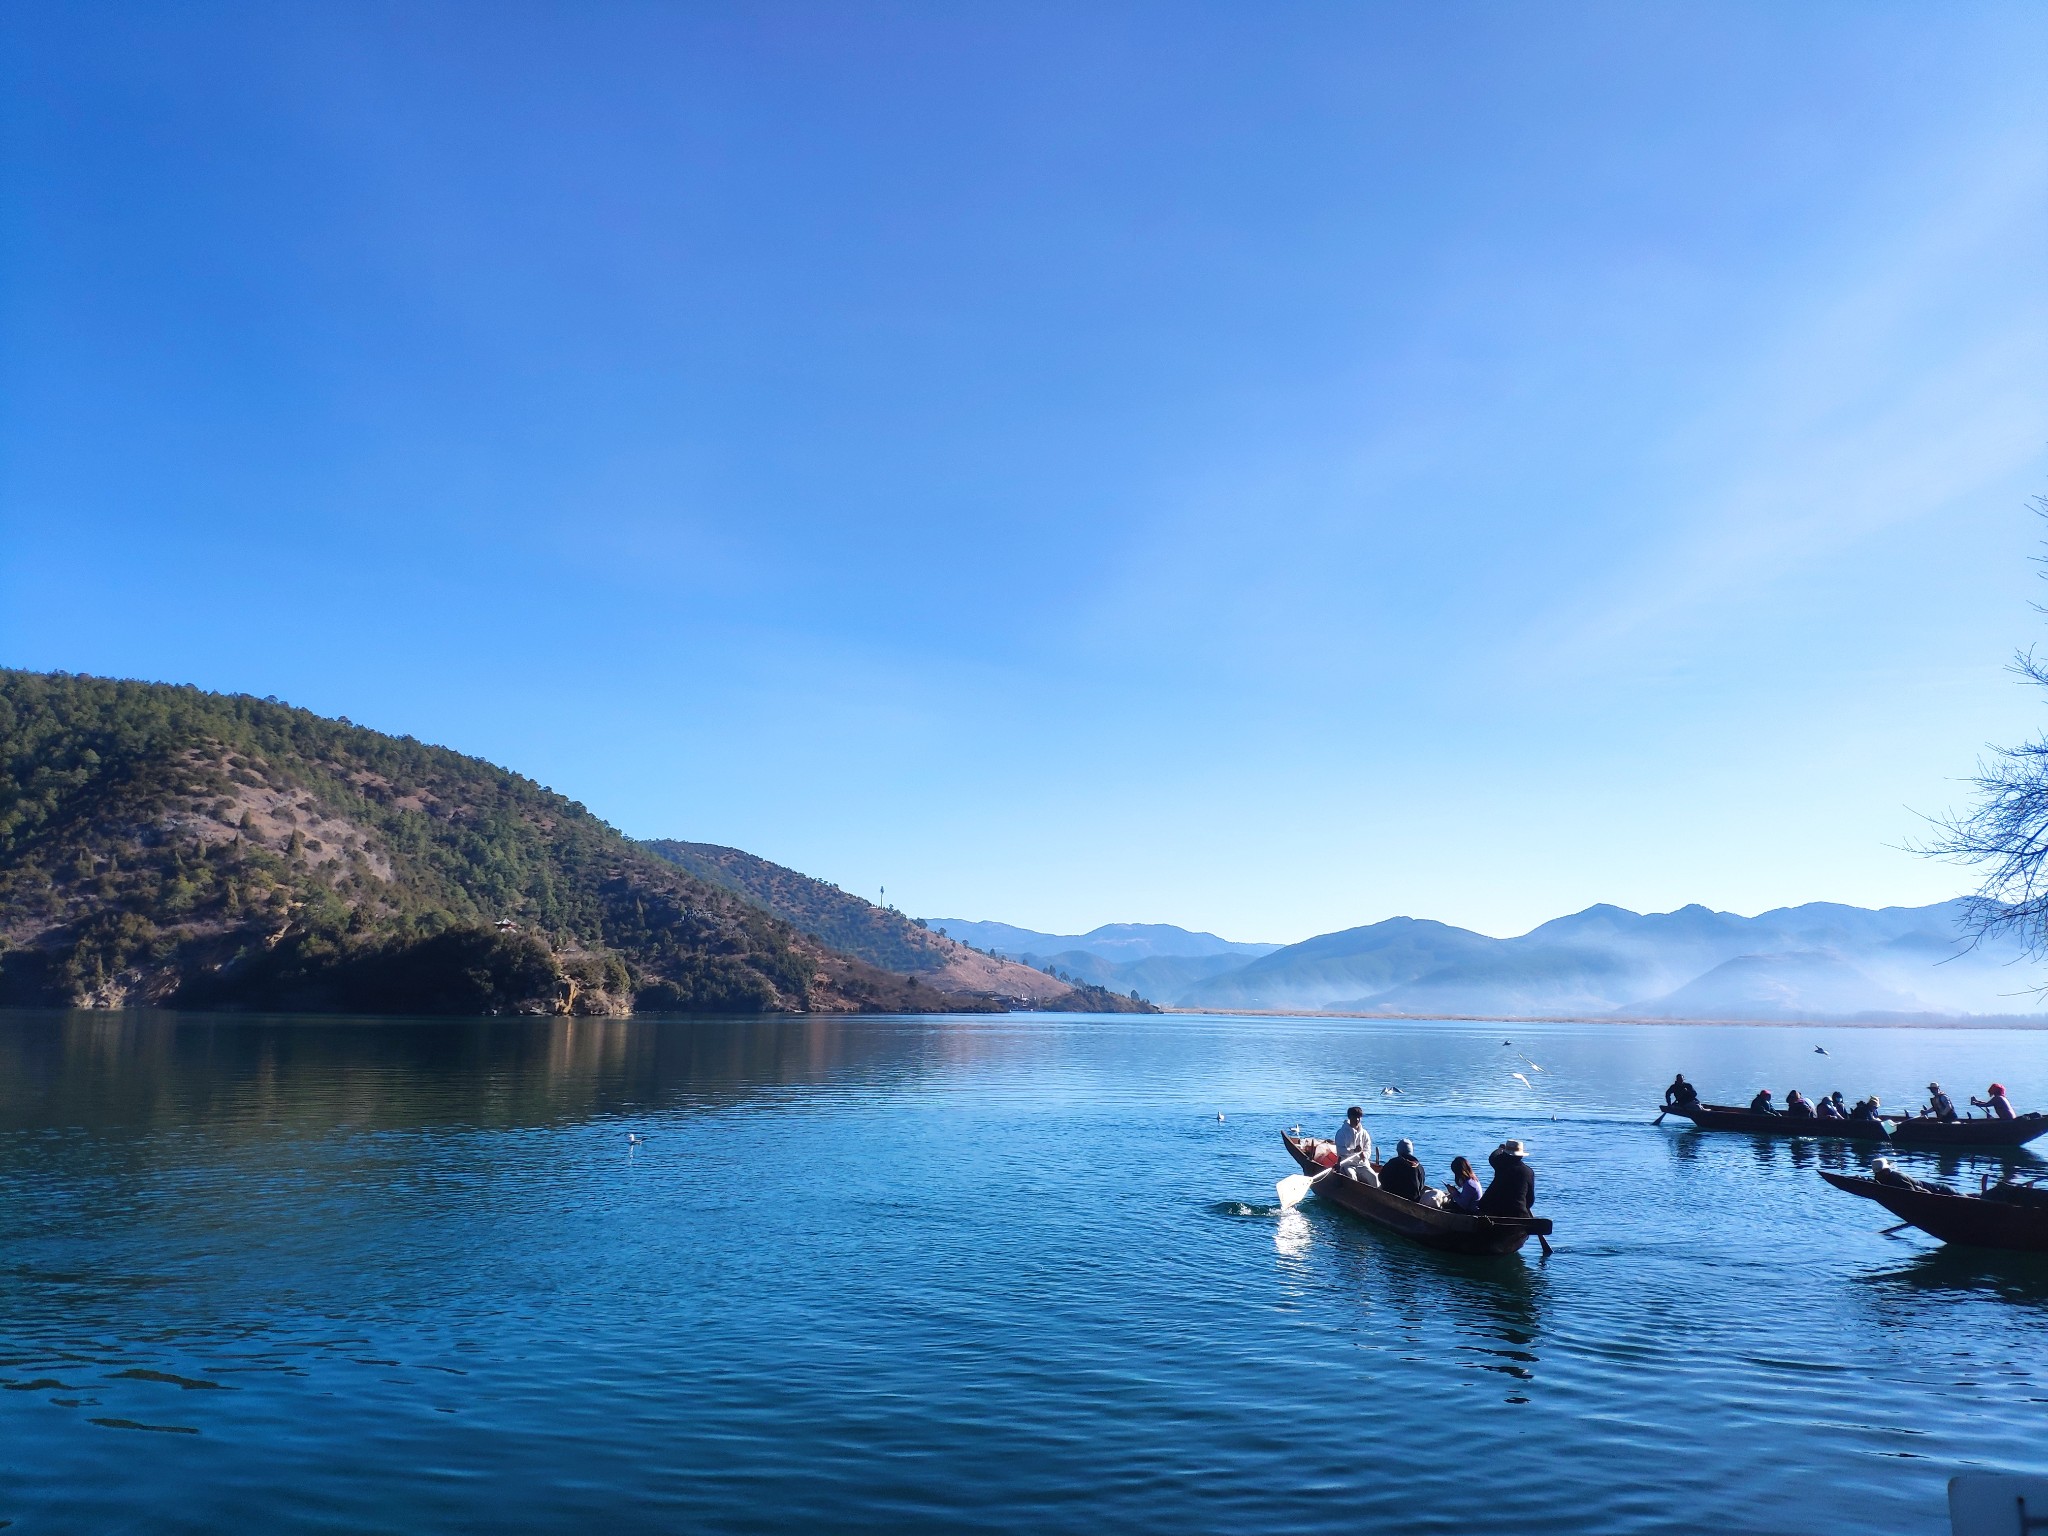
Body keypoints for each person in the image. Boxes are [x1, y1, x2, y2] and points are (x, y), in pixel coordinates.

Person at [1479, 1140, 1536, 1218]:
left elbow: (1492, 1157)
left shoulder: (1501, 1165)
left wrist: (1500, 1149)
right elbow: (1530, 1200)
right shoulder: (1529, 1172)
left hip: (1493, 1211)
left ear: (1505, 1154)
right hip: (1519, 1214)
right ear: (1521, 1156)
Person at [1334, 1106, 1380, 1187]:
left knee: (1374, 1177)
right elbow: (1341, 1151)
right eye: (1355, 1117)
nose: (1357, 1119)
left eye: (1359, 1117)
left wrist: (1364, 1155)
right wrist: (1353, 1151)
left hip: (1362, 1164)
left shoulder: (1364, 1133)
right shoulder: (1341, 1132)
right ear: (1350, 1117)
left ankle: (1379, 1197)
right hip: (1347, 1164)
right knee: (1352, 1177)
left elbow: (1368, 1150)